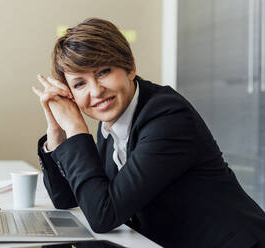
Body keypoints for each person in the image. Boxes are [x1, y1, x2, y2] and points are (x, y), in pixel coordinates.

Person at [32, 18, 265, 248]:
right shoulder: (110, 122)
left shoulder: (167, 116)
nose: (96, 91)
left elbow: (103, 215)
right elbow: (66, 199)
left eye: (103, 71)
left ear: (130, 67)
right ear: (70, 94)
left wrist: (76, 129)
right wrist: (58, 132)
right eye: (80, 84)